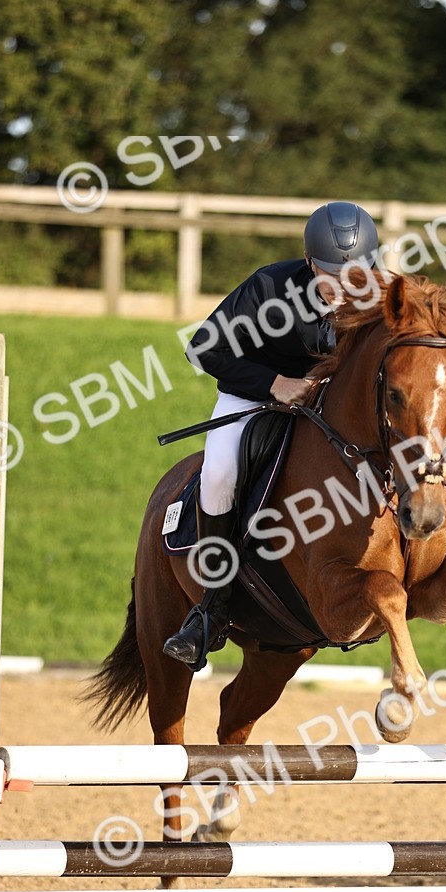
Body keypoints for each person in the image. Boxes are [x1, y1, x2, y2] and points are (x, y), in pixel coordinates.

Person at [163, 200, 380, 670]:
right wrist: (275, 385)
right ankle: (213, 609)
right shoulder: (270, 288)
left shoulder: (382, 296)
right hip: (257, 398)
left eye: (357, 277)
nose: (346, 290)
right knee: (219, 471)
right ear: (308, 264)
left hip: (335, 412)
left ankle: (433, 567)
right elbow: (204, 349)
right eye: (331, 277)